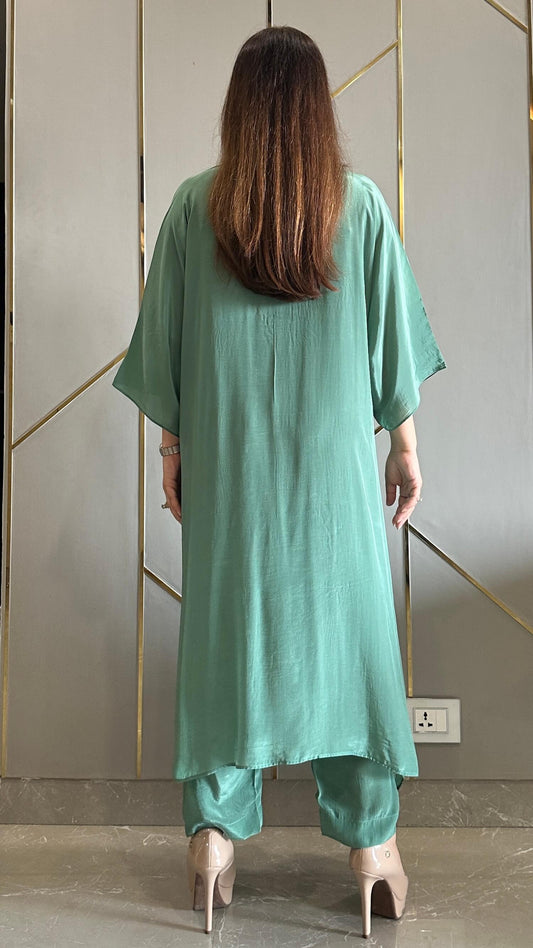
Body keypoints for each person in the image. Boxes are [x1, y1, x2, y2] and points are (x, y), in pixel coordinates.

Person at [112, 24, 447, 939]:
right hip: (331, 485)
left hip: (233, 480)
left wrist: (173, 451)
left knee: (228, 641)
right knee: (351, 642)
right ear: (315, 111)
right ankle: (371, 847)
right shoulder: (360, 205)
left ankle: (214, 838)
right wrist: (404, 448)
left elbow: (169, 349)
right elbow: (392, 348)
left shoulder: (193, 208)